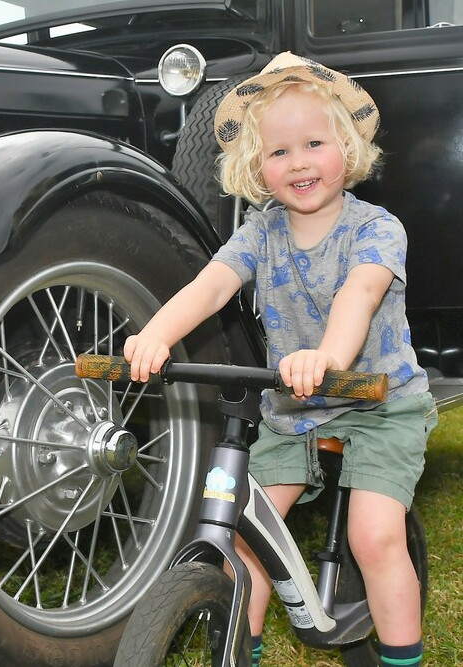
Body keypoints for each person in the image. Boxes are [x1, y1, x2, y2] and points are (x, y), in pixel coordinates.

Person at [123, 52, 437, 667]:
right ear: (257, 168)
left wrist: (327, 356)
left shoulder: (376, 229)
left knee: (373, 537)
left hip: (379, 403)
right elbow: (211, 286)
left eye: (314, 143)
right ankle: (243, 651)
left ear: (346, 150)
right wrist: (155, 334)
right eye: (279, 151)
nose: (298, 162)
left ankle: (404, 657)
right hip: (293, 406)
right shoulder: (259, 234)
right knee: (246, 536)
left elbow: (360, 293)